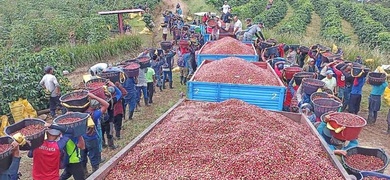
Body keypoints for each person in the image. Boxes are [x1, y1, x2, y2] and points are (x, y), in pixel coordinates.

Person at [82, 93, 109, 176]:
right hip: (91, 138)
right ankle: (95, 174)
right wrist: (94, 97)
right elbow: (106, 104)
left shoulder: (81, 113)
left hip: (81, 139)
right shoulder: (94, 114)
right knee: (94, 157)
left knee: (82, 157)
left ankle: (85, 173)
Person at [104, 82, 122, 150]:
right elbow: (119, 93)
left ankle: (103, 143)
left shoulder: (100, 100)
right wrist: (113, 85)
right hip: (109, 118)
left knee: (102, 131)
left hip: (101, 118)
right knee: (110, 131)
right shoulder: (112, 100)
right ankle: (111, 145)